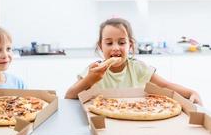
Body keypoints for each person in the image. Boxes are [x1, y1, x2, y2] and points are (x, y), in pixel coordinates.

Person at [65, 18, 202, 105]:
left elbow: (165, 85)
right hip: (104, 120)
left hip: (135, 116)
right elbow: (69, 95)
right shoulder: (94, 70)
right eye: (109, 43)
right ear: (101, 46)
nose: (116, 48)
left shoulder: (138, 68)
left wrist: (191, 92)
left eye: (121, 42)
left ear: (130, 45)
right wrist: (89, 80)